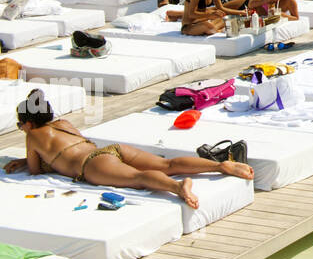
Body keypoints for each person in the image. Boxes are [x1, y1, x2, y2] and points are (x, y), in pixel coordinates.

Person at [6, 89, 253, 209]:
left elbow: (36, 172)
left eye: (20, 125)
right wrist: (25, 160)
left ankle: (177, 187)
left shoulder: (33, 136)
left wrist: (26, 161)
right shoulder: (63, 124)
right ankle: (221, 165)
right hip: (109, 150)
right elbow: (64, 149)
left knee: (139, 178)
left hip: (90, 166)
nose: (21, 128)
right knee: (167, 164)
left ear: (28, 123)